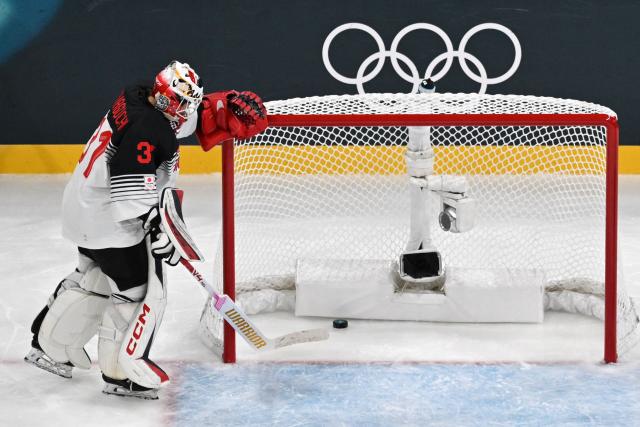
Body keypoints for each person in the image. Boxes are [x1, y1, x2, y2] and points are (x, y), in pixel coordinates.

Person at [24, 60, 267, 399]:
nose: (185, 110)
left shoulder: (141, 95)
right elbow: (132, 196)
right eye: (180, 103)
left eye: (190, 103)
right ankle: (122, 374)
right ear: (165, 98)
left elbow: (170, 123)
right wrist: (160, 229)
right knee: (137, 293)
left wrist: (218, 107)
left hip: (82, 206)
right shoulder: (148, 130)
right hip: (108, 218)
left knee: (93, 277)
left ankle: (51, 346)